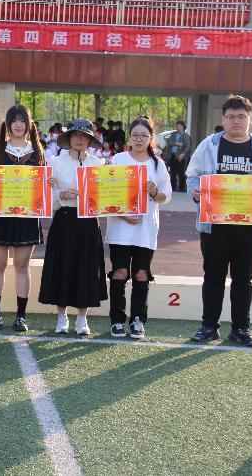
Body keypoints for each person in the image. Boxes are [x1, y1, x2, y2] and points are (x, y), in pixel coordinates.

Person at [187, 94, 252, 347]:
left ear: (250, 119)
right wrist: (195, 192)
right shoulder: (209, 145)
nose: (236, 121)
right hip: (214, 224)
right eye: (231, 117)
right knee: (213, 275)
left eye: (241, 116)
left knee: (243, 278)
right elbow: (193, 176)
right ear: (223, 119)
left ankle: (241, 328)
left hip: (249, 225)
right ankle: (209, 326)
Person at [39, 118, 107, 336]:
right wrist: (62, 194)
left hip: (89, 223)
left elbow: (104, 198)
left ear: (90, 139)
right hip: (64, 219)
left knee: (86, 269)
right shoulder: (55, 162)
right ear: (68, 139)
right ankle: (62, 317)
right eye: (75, 135)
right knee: (63, 267)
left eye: (84, 136)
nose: (79, 139)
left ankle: (82, 318)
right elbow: (48, 201)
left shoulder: (98, 164)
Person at [105, 117, 172, 340]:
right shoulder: (118, 160)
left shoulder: (157, 164)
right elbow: (107, 193)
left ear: (151, 138)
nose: (139, 139)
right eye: (135, 135)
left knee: (141, 273)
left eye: (144, 136)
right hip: (120, 227)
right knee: (120, 272)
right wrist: (122, 214)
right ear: (129, 137)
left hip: (145, 229)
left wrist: (154, 193)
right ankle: (117, 320)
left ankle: (137, 320)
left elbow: (166, 196)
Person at [0, 105, 44, 332]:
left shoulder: (38, 152)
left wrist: (49, 183)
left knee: (22, 266)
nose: (18, 124)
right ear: (7, 124)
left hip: (26, 217)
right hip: (0, 216)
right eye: (14, 120)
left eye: (22, 120)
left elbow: (42, 186)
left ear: (29, 124)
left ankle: (20, 316)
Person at [164, 120, 192, 192]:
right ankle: (173, 187)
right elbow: (169, 142)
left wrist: (183, 154)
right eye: (176, 126)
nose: (177, 127)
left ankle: (182, 188)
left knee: (181, 172)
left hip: (181, 156)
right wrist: (177, 143)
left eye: (179, 126)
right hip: (172, 155)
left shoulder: (185, 135)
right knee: (172, 172)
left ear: (183, 127)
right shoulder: (173, 134)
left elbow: (188, 146)